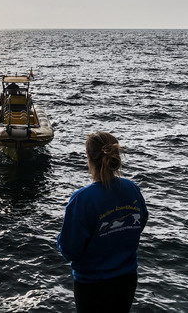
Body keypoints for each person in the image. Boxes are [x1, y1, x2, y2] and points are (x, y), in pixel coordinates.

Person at [57, 132, 148, 312]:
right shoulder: (132, 189)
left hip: (92, 285)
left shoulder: (82, 199)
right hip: (127, 279)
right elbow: (141, 222)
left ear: (89, 158)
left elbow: (70, 249)